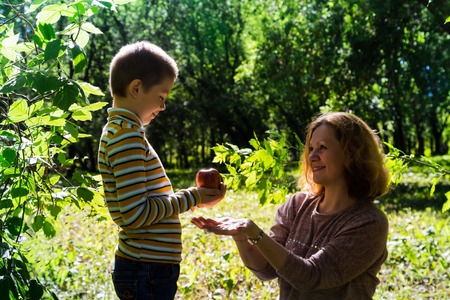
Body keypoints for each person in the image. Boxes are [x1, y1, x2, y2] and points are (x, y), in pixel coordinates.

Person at [192, 112, 390, 299]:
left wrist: (255, 233)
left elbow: (312, 277)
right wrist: (242, 238)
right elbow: (268, 269)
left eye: (322, 147)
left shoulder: (369, 222)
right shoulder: (297, 205)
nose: (312, 156)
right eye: (311, 148)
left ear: (352, 154)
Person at [97, 41, 226, 300]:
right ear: (136, 88)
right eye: (162, 97)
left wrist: (195, 199)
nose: (163, 107)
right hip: (146, 269)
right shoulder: (126, 138)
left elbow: (143, 204)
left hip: (145, 267)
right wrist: (194, 197)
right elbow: (135, 214)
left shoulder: (123, 133)